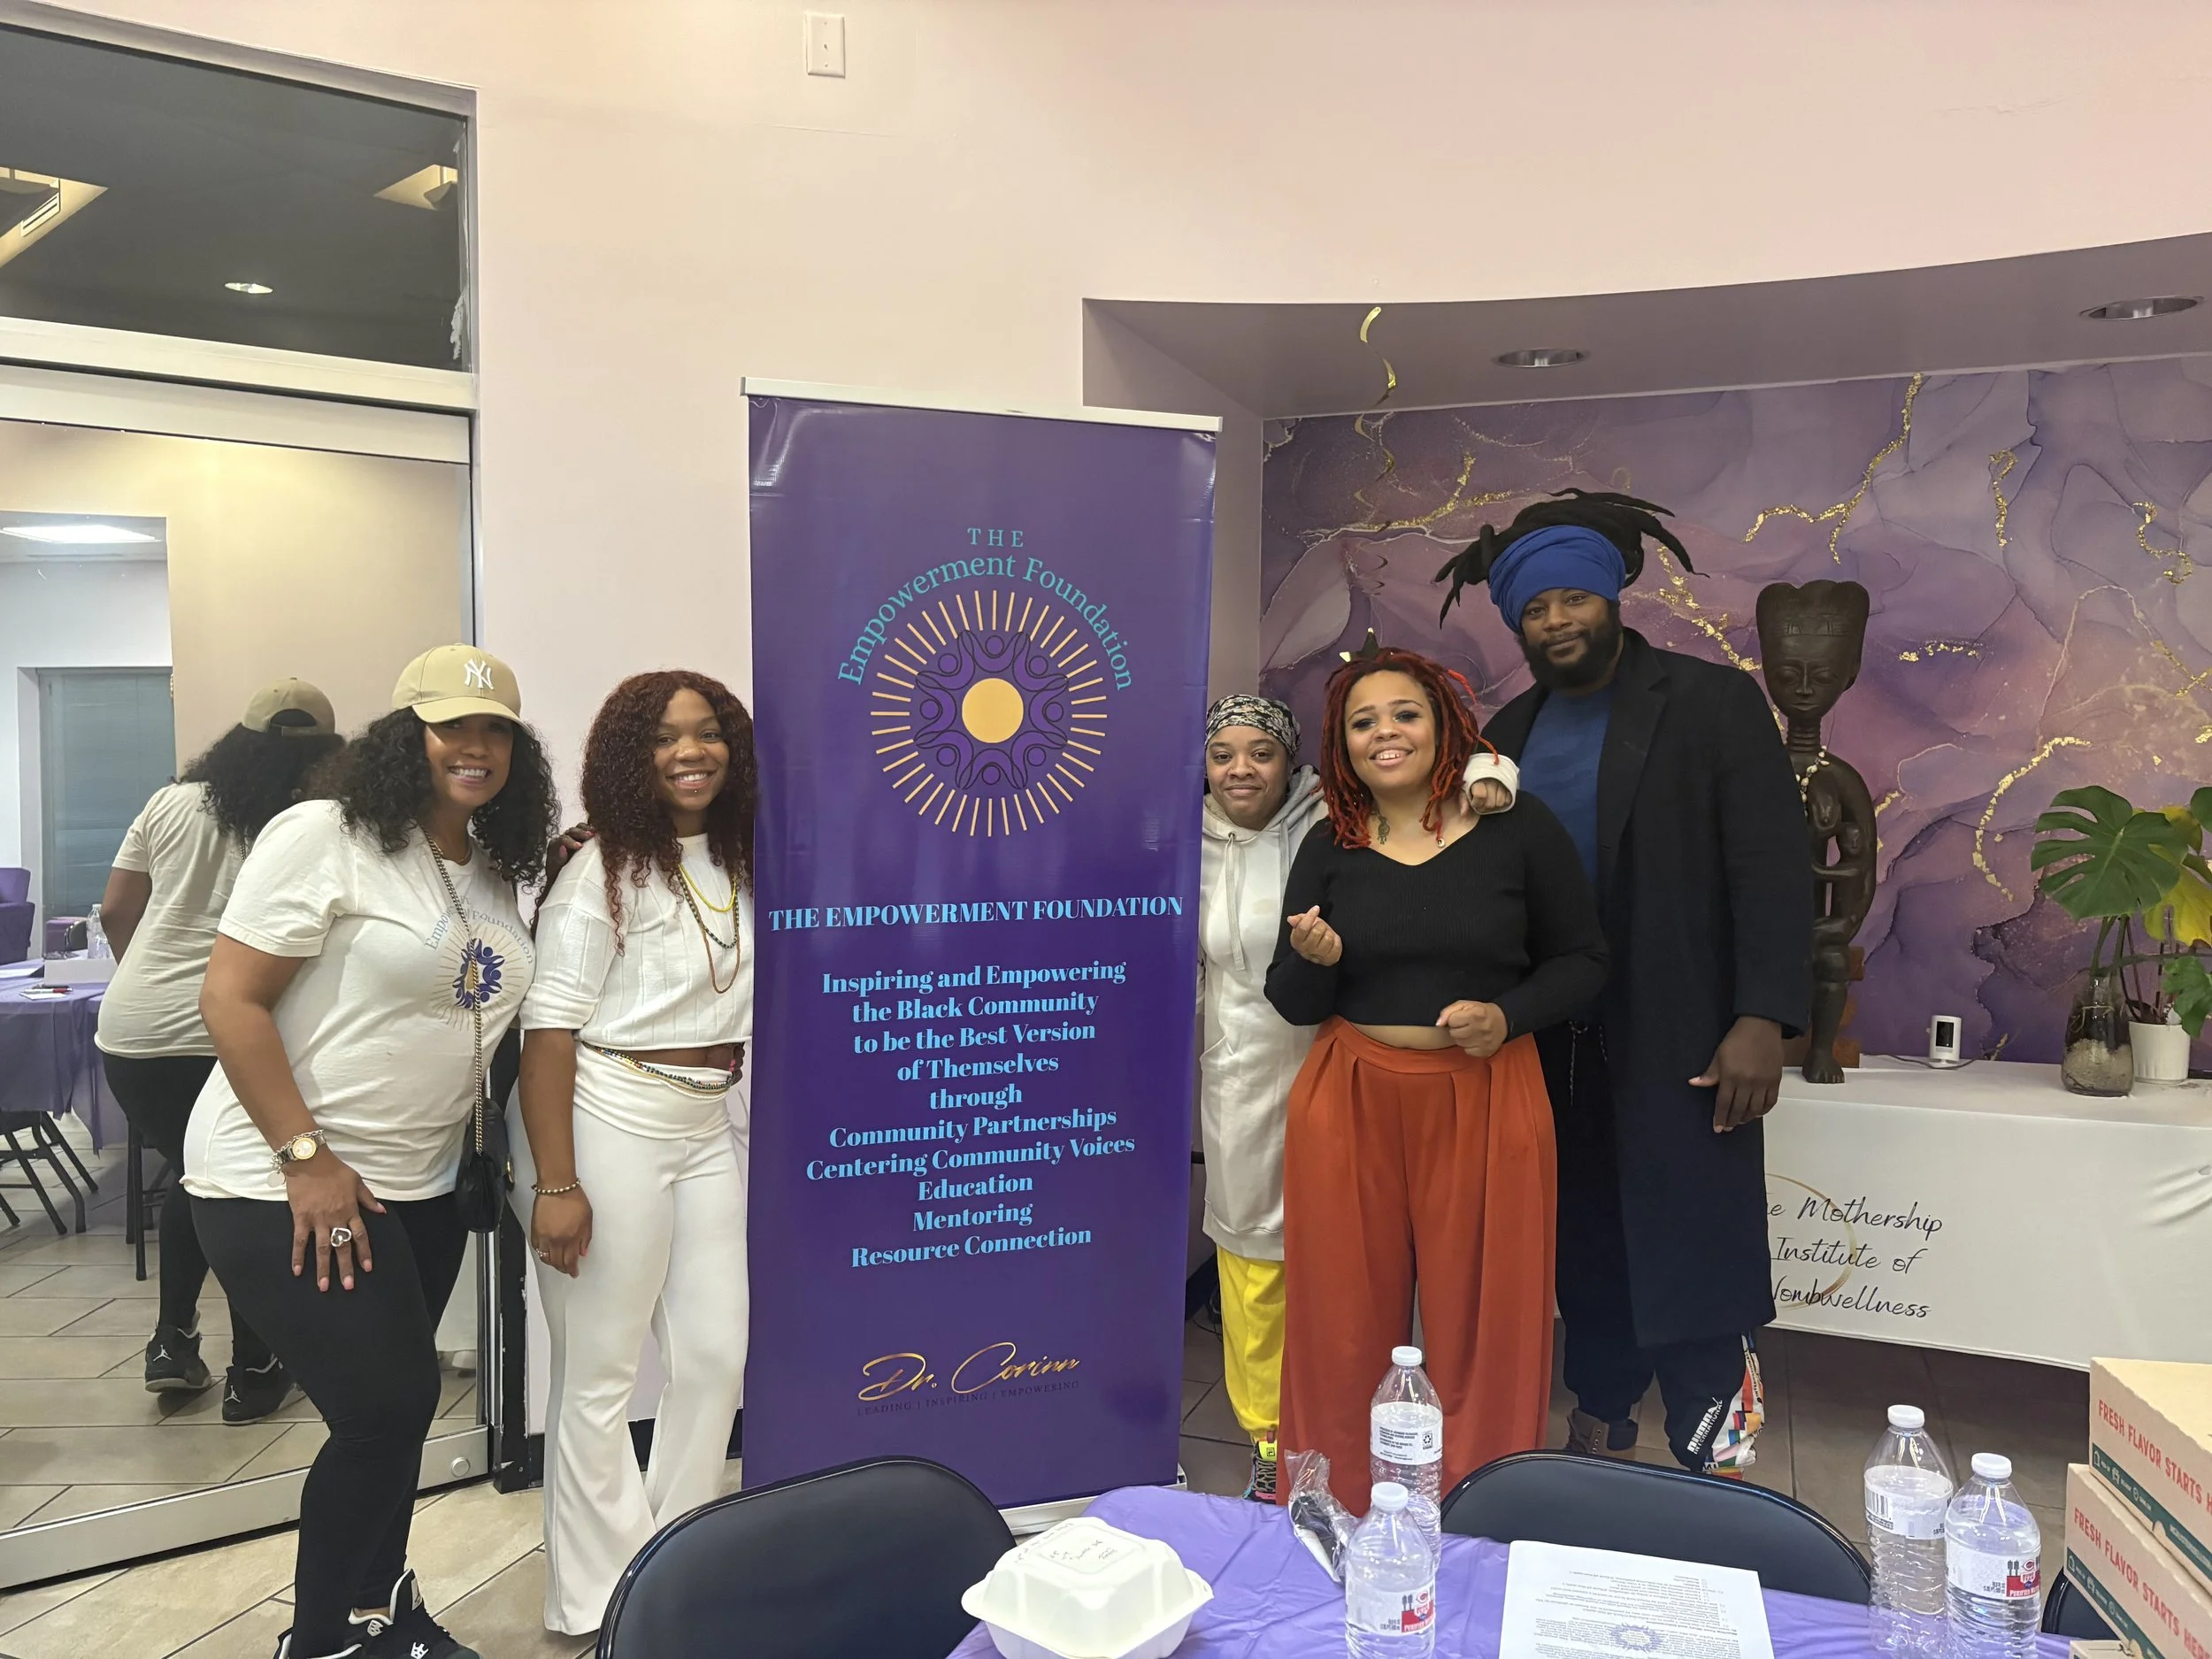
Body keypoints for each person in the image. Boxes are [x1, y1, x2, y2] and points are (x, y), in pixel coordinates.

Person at [188, 645, 556, 1659]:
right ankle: (319, 1643)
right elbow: (230, 998)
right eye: (450, 727)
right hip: (279, 1176)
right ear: (405, 736)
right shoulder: (325, 835)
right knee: (385, 1409)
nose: (474, 746)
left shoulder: (490, 867)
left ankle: (381, 1610)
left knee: (398, 1415)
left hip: (419, 1183)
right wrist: (305, 1158)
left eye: (494, 730)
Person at [1436, 488, 1812, 1476]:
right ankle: (1600, 1420)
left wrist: (1765, 1015)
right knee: (1584, 1237)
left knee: (1691, 1235)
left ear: (1611, 597)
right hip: (1552, 1038)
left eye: (1573, 599)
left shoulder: (1710, 702)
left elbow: (1773, 866)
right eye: (1534, 609)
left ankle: (1714, 1451)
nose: (1556, 620)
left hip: (1687, 1029)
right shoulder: (1507, 734)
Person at [1263, 644, 1606, 1510]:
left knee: (1487, 1325)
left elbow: (1584, 960)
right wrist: (1316, 961)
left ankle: (1484, 1508)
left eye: (1404, 713)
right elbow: (1292, 1000)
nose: (1385, 732)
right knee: (1339, 1322)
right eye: (1362, 721)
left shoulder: (1518, 830)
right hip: (1349, 1097)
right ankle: (1332, 1504)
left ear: (1444, 724)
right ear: (1341, 746)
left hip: (1486, 1094)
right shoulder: (1329, 843)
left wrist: (1509, 1015)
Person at [1198, 690, 1517, 1502]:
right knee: (1253, 1259)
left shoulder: (1334, 820)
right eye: (1222, 754)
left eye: (1261, 752)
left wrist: (1491, 774)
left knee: (1358, 1270)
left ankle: (1393, 1439)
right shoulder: (1179, 844)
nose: (1241, 769)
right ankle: (1270, 1435)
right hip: (1239, 1074)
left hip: (1340, 1066)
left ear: (1293, 761)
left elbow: (1440, 777)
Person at [516, 669, 756, 1637]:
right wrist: (557, 1182)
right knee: (601, 1372)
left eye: (708, 731)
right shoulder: (600, 870)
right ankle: (599, 1598)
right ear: (630, 757)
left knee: (715, 1356)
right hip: (609, 1113)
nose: (690, 751)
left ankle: (674, 1566)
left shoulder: (747, 855)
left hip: (704, 1123)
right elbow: (546, 1033)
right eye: (662, 736)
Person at [96, 680, 342, 1416]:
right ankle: (254, 1364)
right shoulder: (310, 814)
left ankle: (174, 1341)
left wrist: (145, 981)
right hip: (231, 1025)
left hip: (133, 1030)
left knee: (194, 1177)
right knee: (233, 1190)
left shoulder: (170, 802)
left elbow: (116, 909)